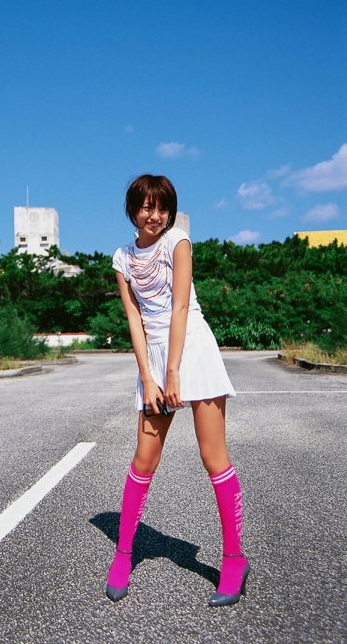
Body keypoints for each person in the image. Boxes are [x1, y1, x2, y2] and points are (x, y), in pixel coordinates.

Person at [106, 174, 249, 607]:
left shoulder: (177, 242)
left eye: (162, 207)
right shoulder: (122, 258)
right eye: (147, 207)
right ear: (133, 209)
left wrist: (173, 372)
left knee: (213, 456)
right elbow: (134, 320)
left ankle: (234, 559)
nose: (155, 216)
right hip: (153, 358)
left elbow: (181, 305)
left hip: (192, 349)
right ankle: (124, 554)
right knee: (144, 459)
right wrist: (149, 376)